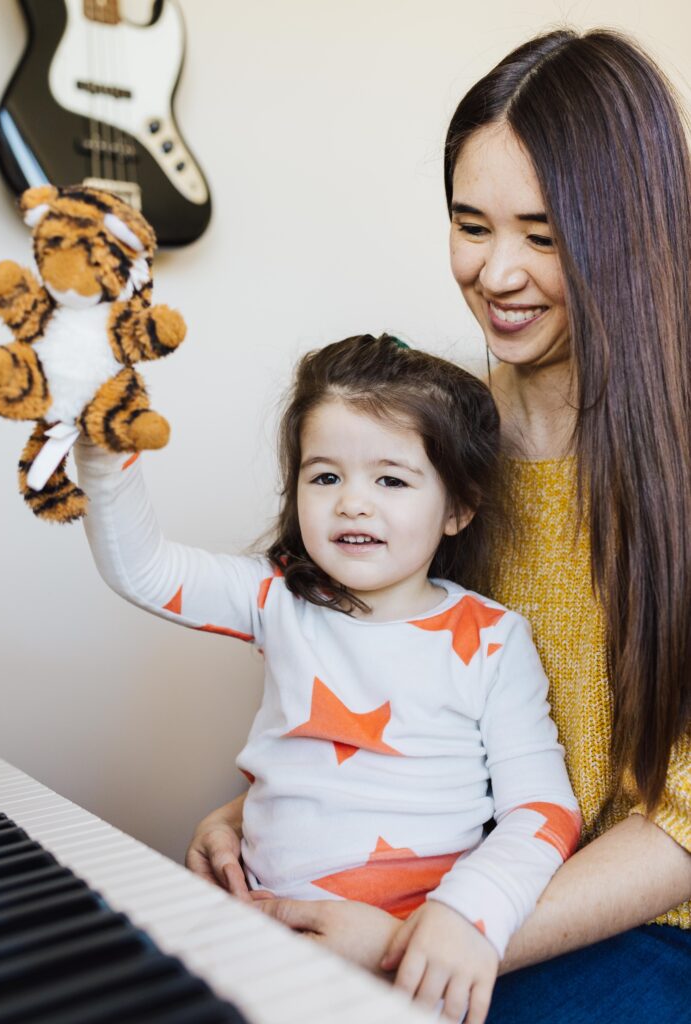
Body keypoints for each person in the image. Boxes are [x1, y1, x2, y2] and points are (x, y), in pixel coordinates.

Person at [186, 28, 691, 1024]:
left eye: (541, 236)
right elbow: (384, 680)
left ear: (627, 235)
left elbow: (681, 821)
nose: (495, 271)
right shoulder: (428, 443)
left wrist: (435, 931)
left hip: (638, 923)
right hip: (454, 885)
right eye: (470, 224)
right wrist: (275, 805)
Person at [76, 333, 580, 1023]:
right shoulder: (277, 598)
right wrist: (105, 463)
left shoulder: (492, 638)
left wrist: (467, 916)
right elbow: (145, 572)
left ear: (458, 509)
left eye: (391, 479)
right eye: (325, 476)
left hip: (413, 959)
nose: (352, 503)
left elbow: (544, 811)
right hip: (255, 933)